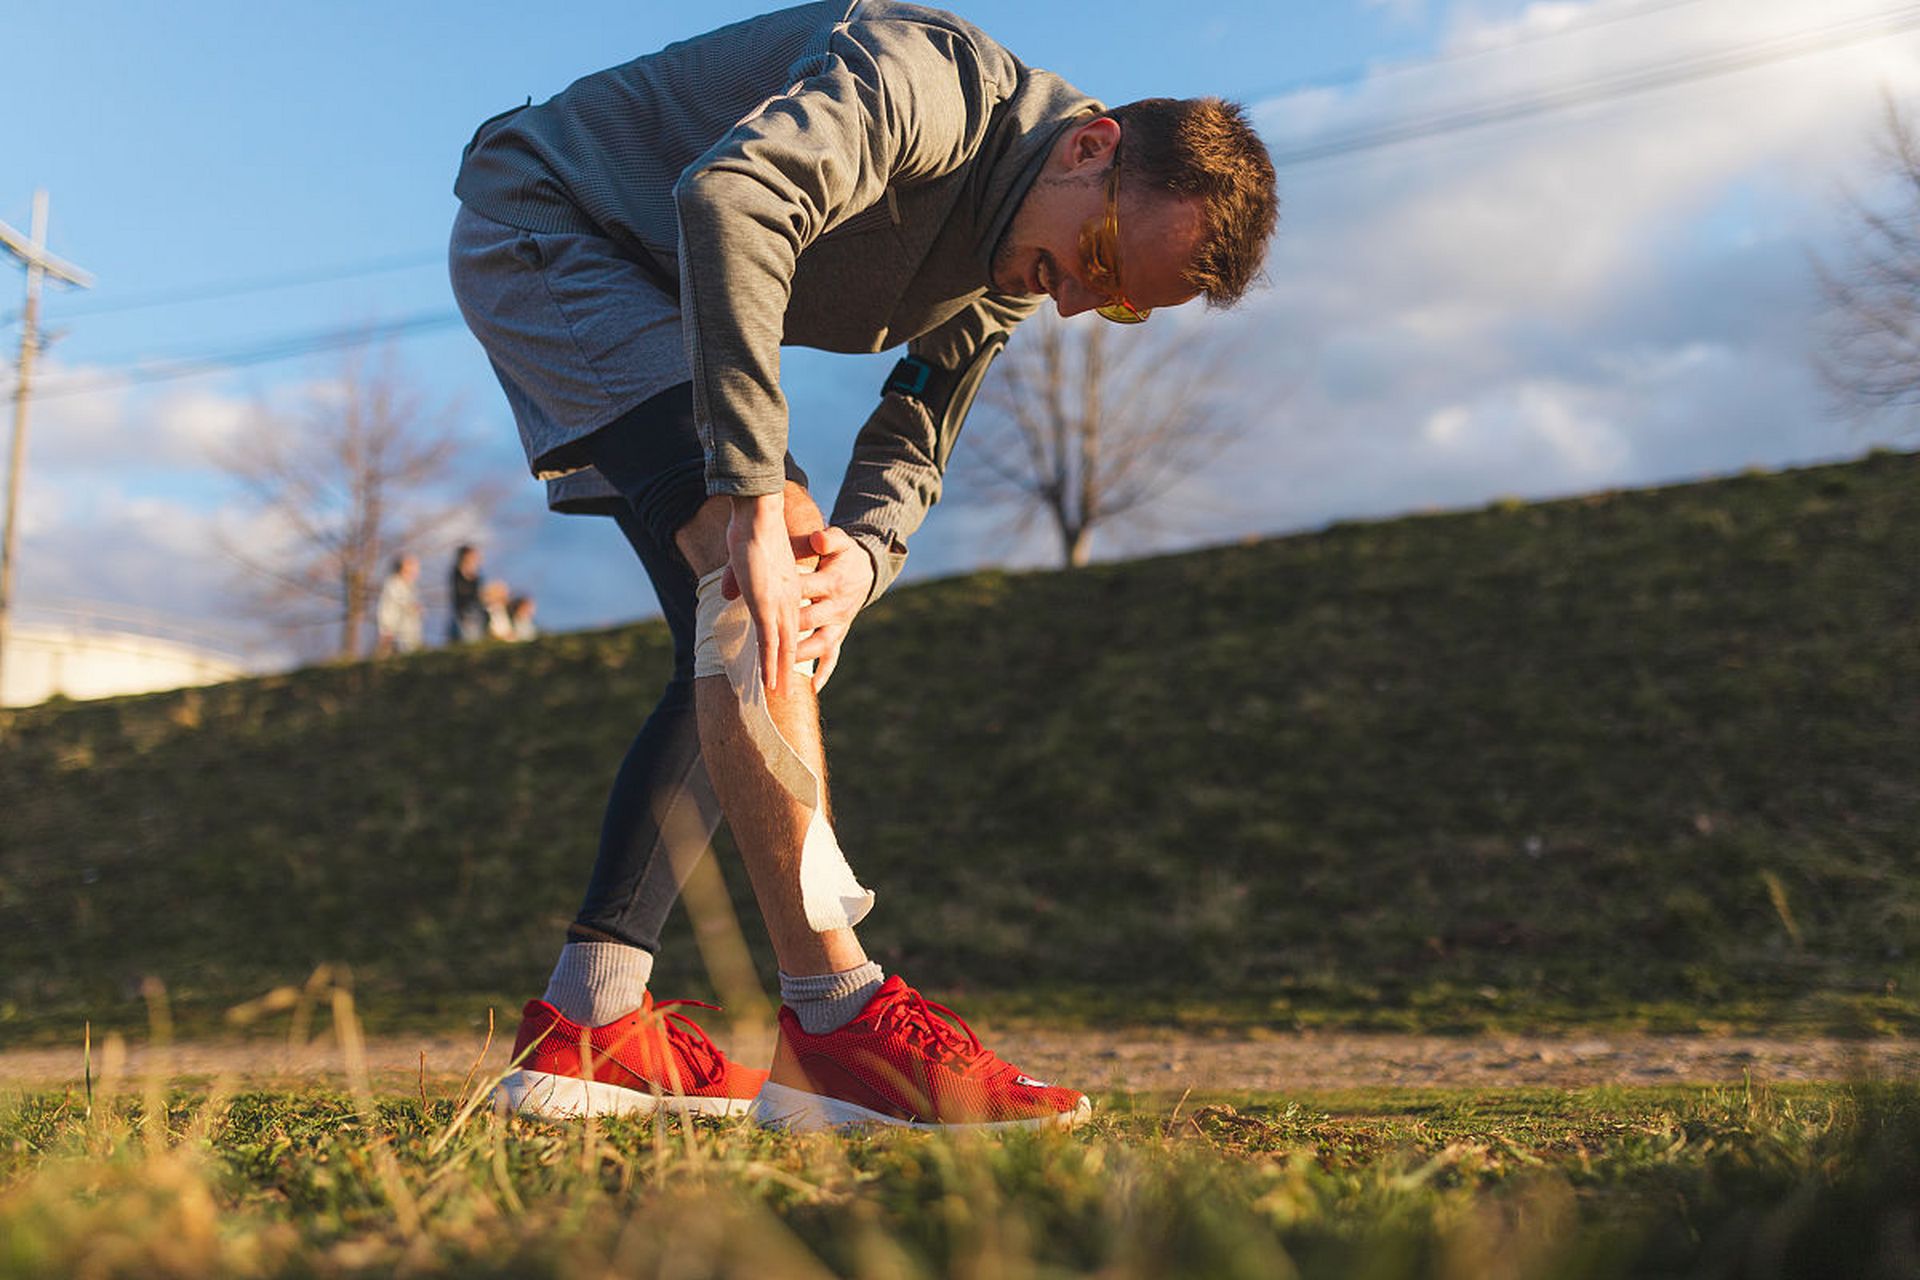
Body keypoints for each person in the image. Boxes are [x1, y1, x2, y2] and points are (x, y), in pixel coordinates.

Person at [448, 1, 1277, 1131]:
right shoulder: (926, 85)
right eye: (1097, 261)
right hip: (554, 223)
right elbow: (732, 197)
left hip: (650, 282)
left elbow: (916, 426)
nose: (1074, 300)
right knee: (756, 572)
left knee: (756, 617)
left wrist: (865, 558)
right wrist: (752, 490)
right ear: (1090, 147)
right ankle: (835, 1019)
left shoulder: (1014, 252)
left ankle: (590, 1020)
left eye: (1119, 303)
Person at [374, 553, 424, 656]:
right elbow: (385, 609)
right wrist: (386, 630)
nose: (416, 571)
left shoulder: (411, 586)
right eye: (413, 567)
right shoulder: (393, 584)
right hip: (396, 636)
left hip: (410, 636)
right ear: (403, 568)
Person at [447, 544, 486, 644]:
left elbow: (479, 595)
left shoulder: (478, 575)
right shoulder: (457, 573)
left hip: (476, 613)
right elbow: (461, 594)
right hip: (463, 614)